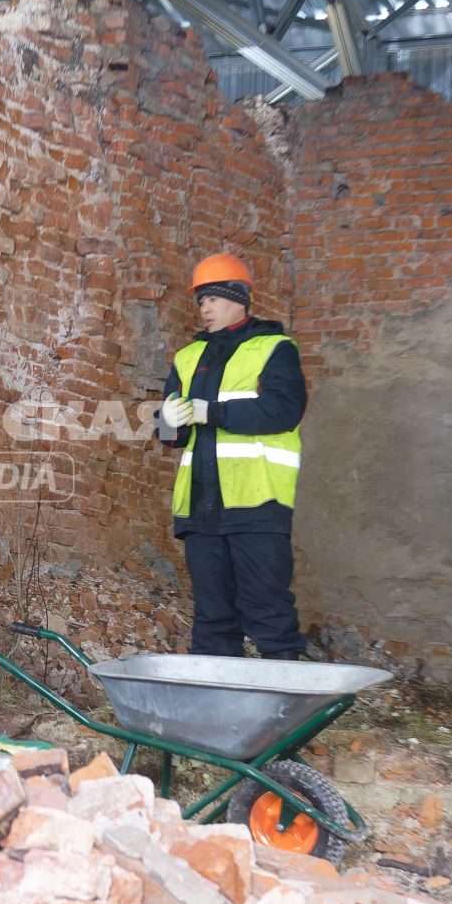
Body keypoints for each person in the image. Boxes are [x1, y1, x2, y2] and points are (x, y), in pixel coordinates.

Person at [156, 253, 310, 661]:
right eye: (200, 300)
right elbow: (171, 438)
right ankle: (217, 711)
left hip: (256, 503)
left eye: (214, 298)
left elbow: (283, 410)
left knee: (267, 611)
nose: (205, 307)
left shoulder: (275, 349)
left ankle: (283, 711)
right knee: (212, 617)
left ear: (239, 299)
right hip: (200, 511)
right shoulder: (187, 358)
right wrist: (166, 422)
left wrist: (214, 412)